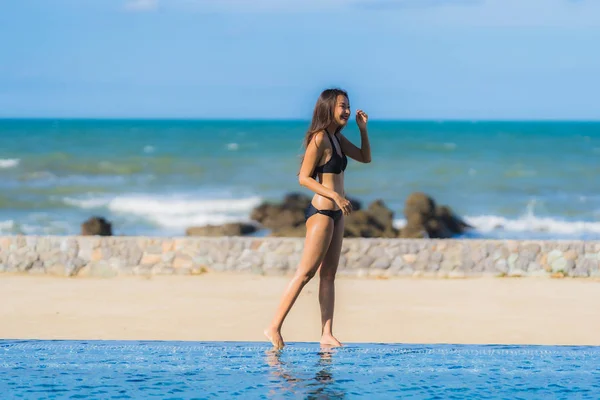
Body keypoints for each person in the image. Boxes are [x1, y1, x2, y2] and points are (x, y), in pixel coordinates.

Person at [264, 88, 372, 349]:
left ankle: (326, 333)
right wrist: (334, 196)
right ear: (328, 109)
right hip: (322, 212)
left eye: (348, 106)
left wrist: (363, 130)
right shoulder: (319, 139)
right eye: (341, 106)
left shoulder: (337, 139)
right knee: (305, 273)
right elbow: (304, 177)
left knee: (329, 275)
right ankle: (274, 326)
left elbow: (365, 158)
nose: (346, 111)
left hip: (337, 213)